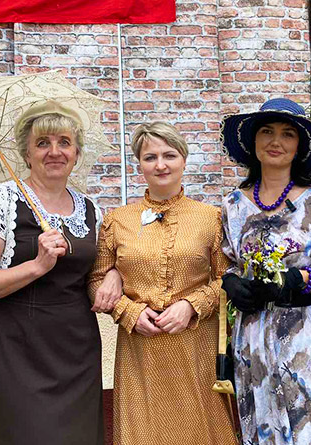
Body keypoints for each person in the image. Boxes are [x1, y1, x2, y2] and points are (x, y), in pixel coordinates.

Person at [0, 100, 120, 445]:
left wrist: (114, 276)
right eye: (43, 143)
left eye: (64, 142)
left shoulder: (90, 209)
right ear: (27, 154)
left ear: (76, 153)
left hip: (77, 347)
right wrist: (36, 266)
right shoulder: (0, 201)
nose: (55, 152)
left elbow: (102, 269)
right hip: (16, 348)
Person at [219, 98, 311, 444]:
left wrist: (304, 278)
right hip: (253, 339)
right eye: (266, 132)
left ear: (299, 146)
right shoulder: (233, 205)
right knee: (264, 427)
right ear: (253, 141)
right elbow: (227, 262)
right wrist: (231, 282)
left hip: (309, 340)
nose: (276, 141)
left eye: (287, 134)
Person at [87, 121, 237, 445]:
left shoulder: (211, 218)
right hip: (140, 350)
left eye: (169, 155)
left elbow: (227, 280)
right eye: (150, 157)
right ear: (139, 164)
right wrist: (128, 312)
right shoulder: (117, 220)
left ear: (183, 159)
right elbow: (97, 281)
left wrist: (191, 306)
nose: (160, 165)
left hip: (195, 345)